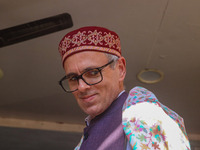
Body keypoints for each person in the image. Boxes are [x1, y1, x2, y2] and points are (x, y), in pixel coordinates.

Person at [58, 26, 191, 150]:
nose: (82, 87)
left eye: (93, 73)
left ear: (120, 69)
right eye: (73, 79)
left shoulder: (143, 113)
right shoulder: (86, 137)